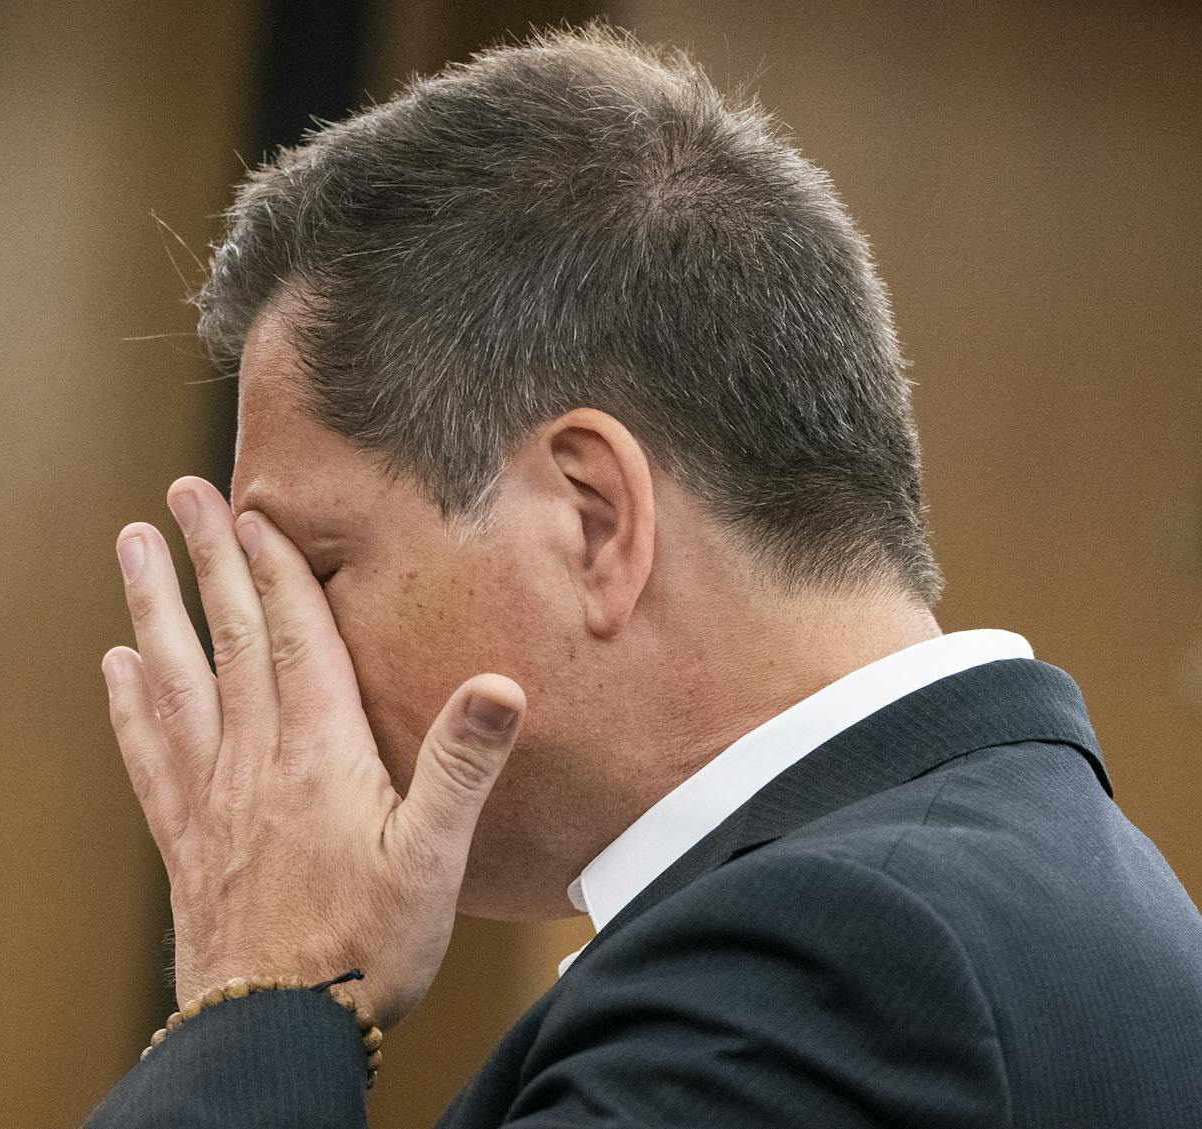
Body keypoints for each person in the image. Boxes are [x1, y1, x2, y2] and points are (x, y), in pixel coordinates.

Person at [84, 24, 1202, 1127]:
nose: (278, 673)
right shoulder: (1014, 877)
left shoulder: (827, 965)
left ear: (593, 519)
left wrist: (265, 990)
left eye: (315, 570)